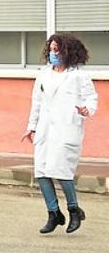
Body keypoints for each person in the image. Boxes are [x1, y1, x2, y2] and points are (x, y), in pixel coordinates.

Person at [25, 33, 98, 235]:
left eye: (57, 50)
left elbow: (91, 98)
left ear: (68, 51)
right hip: (45, 129)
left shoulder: (78, 75)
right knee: (41, 172)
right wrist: (31, 126)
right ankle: (54, 213)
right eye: (51, 49)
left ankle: (74, 209)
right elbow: (37, 102)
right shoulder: (43, 73)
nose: (53, 53)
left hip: (66, 129)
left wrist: (86, 109)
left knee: (62, 172)